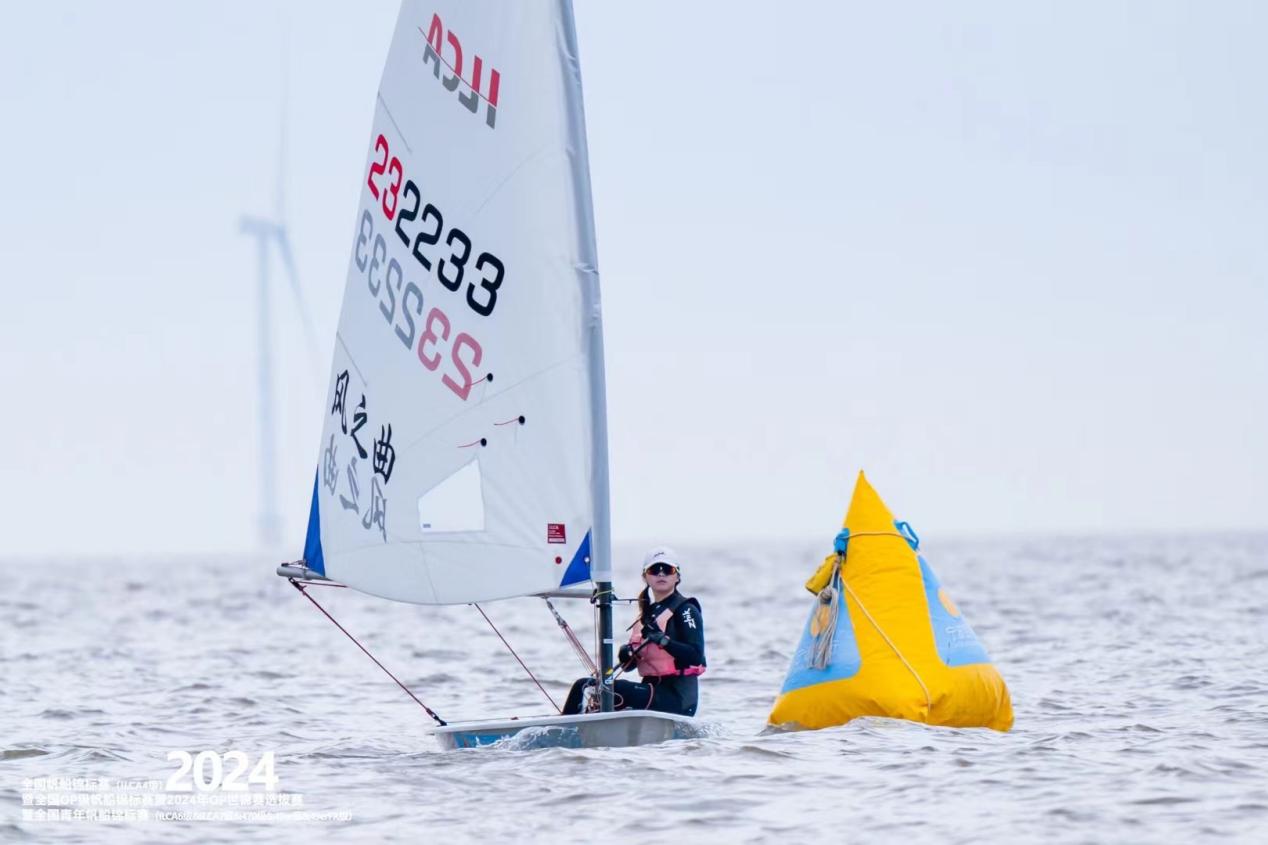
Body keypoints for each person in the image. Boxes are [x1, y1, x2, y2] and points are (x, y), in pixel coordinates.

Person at [561, 546, 706, 717]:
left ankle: (575, 726)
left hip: (678, 697)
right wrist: (626, 653)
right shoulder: (647, 614)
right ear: (645, 576)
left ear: (677, 576)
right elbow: (628, 667)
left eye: (668, 569)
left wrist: (663, 641)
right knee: (584, 685)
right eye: (654, 570)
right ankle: (568, 726)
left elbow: (695, 655)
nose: (661, 574)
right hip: (652, 690)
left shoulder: (686, 610)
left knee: (610, 689)